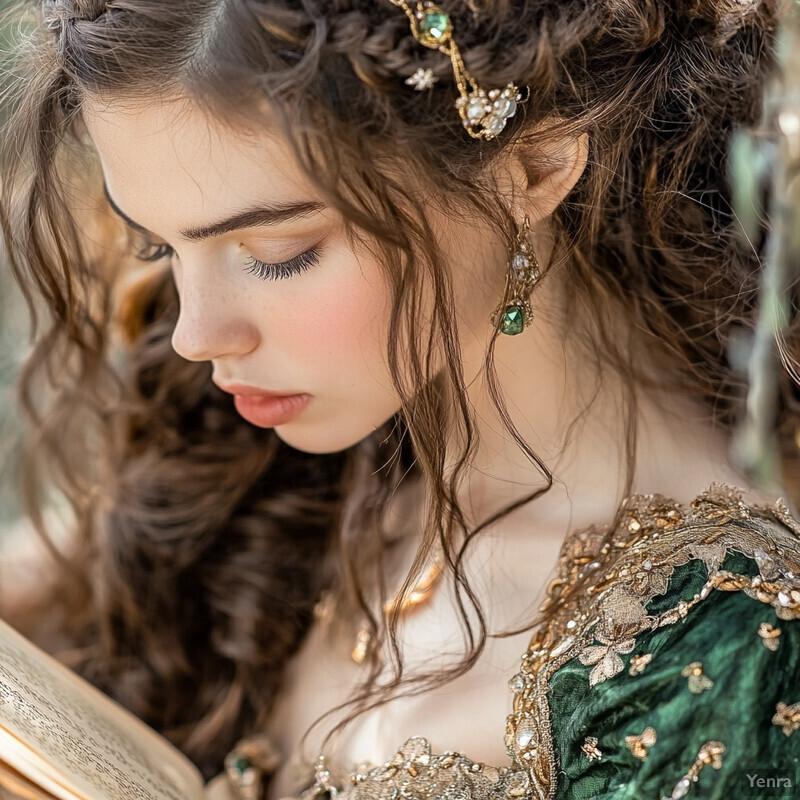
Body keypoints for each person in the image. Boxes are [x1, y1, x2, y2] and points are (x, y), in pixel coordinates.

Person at [0, 0, 798, 798]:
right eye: (158, 246)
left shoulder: (722, 650)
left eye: (280, 254)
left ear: (533, 168)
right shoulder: (278, 467)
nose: (195, 335)